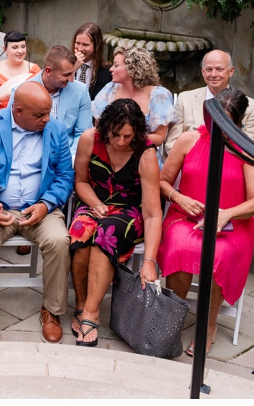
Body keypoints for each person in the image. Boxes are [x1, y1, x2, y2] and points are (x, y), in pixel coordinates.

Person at [152, 87, 254, 357]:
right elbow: (163, 181)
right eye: (212, 120)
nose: (216, 127)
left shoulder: (246, 150)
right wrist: (179, 198)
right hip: (186, 217)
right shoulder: (188, 139)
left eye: (224, 122)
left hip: (231, 225)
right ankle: (174, 318)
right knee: (179, 245)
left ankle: (208, 326)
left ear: (237, 122)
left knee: (219, 254)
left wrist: (227, 213)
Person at [0, 82, 75, 344]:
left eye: (48, 112)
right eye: (39, 115)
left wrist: (46, 203)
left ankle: (52, 310)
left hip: (39, 207)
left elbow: (64, 176)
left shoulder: (56, 130)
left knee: (60, 241)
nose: (46, 119)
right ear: (18, 110)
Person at [66, 98, 162, 346]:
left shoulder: (145, 152)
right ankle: (80, 303)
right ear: (106, 126)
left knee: (106, 234)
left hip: (129, 211)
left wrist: (150, 262)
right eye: (115, 134)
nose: (120, 141)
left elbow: (152, 213)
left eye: (127, 136)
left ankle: (91, 313)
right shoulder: (90, 139)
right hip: (92, 201)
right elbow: (80, 182)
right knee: (81, 230)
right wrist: (95, 204)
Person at [168, 50, 254, 154]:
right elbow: (171, 144)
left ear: (231, 71)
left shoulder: (252, 107)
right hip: (189, 164)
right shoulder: (185, 99)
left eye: (219, 69)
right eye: (209, 69)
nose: (213, 74)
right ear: (203, 72)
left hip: (230, 166)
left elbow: (249, 150)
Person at [92, 45, 176, 150]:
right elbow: (98, 128)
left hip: (143, 153)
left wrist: (128, 140)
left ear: (131, 69)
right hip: (110, 150)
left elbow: (159, 138)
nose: (111, 69)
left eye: (116, 65)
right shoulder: (109, 89)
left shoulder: (158, 95)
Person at [31, 46, 94, 140]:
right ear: (48, 71)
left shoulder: (80, 90)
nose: (72, 79)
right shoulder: (23, 91)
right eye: (66, 74)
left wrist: (72, 154)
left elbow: (84, 134)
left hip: (70, 151)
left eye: (73, 73)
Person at [0, 31, 40, 110]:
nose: (20, 51)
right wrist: (4, 97)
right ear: (5, 49)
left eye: (23, 46)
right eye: (15, 47)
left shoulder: (34, 70)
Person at [71, 22, 112, 98]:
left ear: (98, 44)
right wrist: (73, 68)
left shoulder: (107, 72)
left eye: (85, 45)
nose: (80, 49)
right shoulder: (64, 64)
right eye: (77, 43)